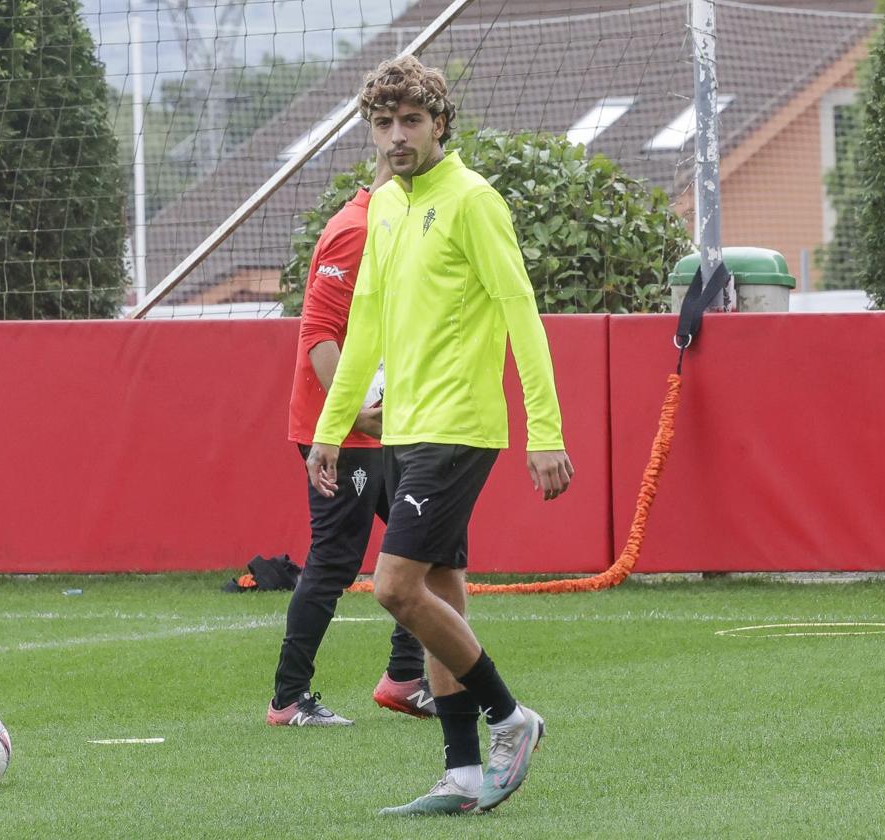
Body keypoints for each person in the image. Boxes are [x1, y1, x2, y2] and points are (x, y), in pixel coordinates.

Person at [307, 56, 574, 814]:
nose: (396, 136)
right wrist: (333, 429)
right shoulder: (385, 205)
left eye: (411, 121)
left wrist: (544, 431)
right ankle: (460, 774)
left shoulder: (473, 201)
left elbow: (521, 311)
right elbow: (363, 327)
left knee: (395, 586)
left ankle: (509, 717)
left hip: (459, 427)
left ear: (440, 124)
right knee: (444, 593)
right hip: (405, 430)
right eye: (383, 123)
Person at [268, 151, 435, 728]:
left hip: (385, 428)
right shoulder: (354, 229)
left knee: (429, 539)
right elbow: (318, 334)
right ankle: (288, 699)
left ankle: (405, 677)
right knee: (336, 559)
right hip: (342, 430)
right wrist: (352, 416)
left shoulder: (400, 224)